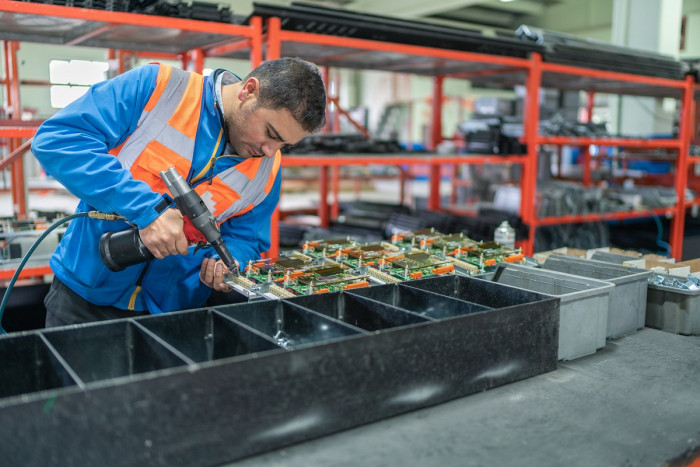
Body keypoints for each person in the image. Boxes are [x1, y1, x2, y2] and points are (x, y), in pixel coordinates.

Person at [32, 57, 327, 327]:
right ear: (248, 90)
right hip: (85, 296)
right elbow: (59, 140)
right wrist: (147, 211)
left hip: (175, 313)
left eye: (284, 145)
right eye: (271, 134)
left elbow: (247, 237)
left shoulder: (268, 168)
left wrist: (230, 258)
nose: (269, 151)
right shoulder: (159, 89)